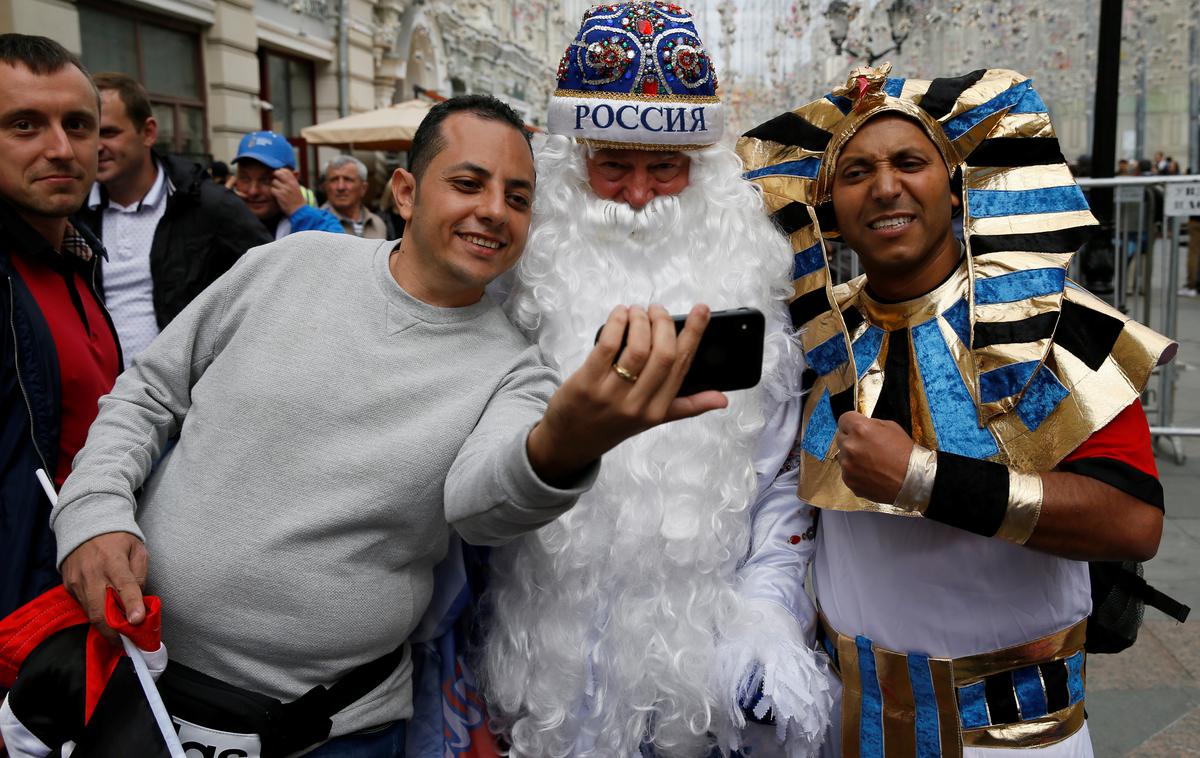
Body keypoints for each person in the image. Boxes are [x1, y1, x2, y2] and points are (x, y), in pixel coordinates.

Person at [40, 94, 725, 758]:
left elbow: (482, 504)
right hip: (131, 678)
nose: (494, 211)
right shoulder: (286, 263)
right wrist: (95, 507)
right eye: (468, 183)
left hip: (329, 730)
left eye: (519, 198)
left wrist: (567, 444)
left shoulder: (517, 366)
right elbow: (151, 391)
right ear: (404, 191)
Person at [738, 65, 1176, 756]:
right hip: (845, 727)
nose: (885, 186)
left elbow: (1131, 521)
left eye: (909, 162)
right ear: (827, 199)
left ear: (954, 180)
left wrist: (925, 480)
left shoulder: (1057, 323)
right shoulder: (814, 339)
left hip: (1013, 737)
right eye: (855, 172)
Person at [475, 4, 833, 756]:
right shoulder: (516, 288)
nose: (638, 195)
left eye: (664, 167)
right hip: (538, 668)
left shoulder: (753, 294)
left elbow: (779, 488)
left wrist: (766, 616)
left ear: (701, 171)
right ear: (574, 168)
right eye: (613, 165)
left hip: (698, 683)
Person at [0, 34, 119, 623]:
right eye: (24, 125)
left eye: (77, 125)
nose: (60, 148)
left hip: (70, 609)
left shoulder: (80, 260)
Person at [78, 73, 270, 367]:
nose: (97, 145)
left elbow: (270, 283)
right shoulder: (71, 213)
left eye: (109, 132)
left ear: (148, 132)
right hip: (102, 401)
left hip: (186, 399)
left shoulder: (207, 205)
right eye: (87, 132)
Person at [231, 129, 342, 238]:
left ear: (293, 179)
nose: (253, 191)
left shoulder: (324, 223)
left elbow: (335, 250)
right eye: (245, 178)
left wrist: (299, 211)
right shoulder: (226, 218)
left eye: (265, 180)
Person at [321, 154, 390, 238]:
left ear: (363, 188)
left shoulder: (378, 224)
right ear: (325, 186)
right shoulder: (315, 224)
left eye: (348, 179)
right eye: (334, 180)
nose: (340, 187)